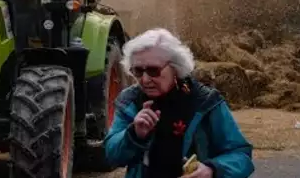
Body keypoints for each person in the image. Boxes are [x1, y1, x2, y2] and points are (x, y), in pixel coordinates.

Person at [104, 28, 255, 178]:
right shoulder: (129, 101)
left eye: (153, 70)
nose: (145, 79)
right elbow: (111, 155)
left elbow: (240, 155)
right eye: (138, 71)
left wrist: (212, 170)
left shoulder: (205, 102)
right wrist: (133, 134)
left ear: (175, 67)